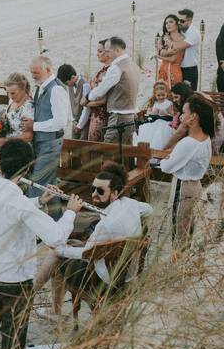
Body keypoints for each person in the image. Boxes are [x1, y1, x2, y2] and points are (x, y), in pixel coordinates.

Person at [0, 140, 74, 349]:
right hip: (14, 283)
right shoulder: (19, 203)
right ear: (29, 168)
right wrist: (71, 212)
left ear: (0, 163)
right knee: (12, 341)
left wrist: (39, 201)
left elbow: (8, 208)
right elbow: (56, 238)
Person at [34, 163, 153, 314]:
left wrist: (61, 251)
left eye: (101, 191)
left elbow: (87, 253)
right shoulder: (131, 203)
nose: (94, 194)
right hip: (127, 271)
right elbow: (149, 209)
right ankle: (38, 296)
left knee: (56, 254)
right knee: (69, 244)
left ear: (115, 193)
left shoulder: (106, 226)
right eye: (93, 189)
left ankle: (42, 301)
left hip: (104, 276)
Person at [159, 94, 213, 248]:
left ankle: (176, 268)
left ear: (193, 116)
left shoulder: (188, 143)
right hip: (196, 186)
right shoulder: (206, 138)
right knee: (189, 230)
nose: (181, 116)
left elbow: (165, 167)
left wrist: (168, 157)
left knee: (178, 233)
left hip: (182, 187)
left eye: (184, 112)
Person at [21, 56, 71, 200]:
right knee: (49, 185)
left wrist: (34, 125)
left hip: (50, 144)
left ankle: (33, 214)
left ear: (48, 70)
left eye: (36, 72)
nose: (32, 76)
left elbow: (60, 122)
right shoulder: (41, 87)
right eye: (31, 72)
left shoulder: (56, 89)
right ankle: (55, 218)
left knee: (36, 184)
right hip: (41, 143)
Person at [87, 37, 141, 145]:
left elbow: (101, 90)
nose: (107, 54)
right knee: (126, 153)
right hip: (131, 114)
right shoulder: (133, 65)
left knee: (108, 150)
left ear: (117, 50)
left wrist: (88, 96)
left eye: (108, 51)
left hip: (119, 116)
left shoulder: (116, 67)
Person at [0, 72, 33, 147]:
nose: (10, 96)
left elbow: (29, 136)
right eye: (7, 92)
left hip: (22, 149)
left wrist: (6, 141)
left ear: (23, 89)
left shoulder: (28, 107)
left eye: (13, 93)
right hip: (9, 147)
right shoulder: (12, 101)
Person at [134, 81, 176, 150]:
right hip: (154, 123)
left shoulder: (168, 103)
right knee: (148, 134)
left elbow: (172, 114)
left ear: (167, 94)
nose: (161, 97)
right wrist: (150, 112)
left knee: (160, 138)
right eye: (158, 95)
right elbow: (150, 112)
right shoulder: (155, 103)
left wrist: (166, 113)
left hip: (165, 124)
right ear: (155, 95)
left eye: (163, 95)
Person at [84, 40, 112, 141]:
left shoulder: (109, 72)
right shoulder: (102, 70)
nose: (97, 54)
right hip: (95, 114)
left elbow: (103, 99)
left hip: (101, 116)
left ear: (108, 53)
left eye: (100, 51)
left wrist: (85, 103)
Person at [57, 64, 90, 140]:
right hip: (75, 122)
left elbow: (87, 108)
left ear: (73, 77)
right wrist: (73, 120)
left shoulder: (85, 84)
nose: (67, 86)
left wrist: (80, 125)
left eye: (66, 83)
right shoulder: (70, 86)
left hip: (84, 123)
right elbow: (70, 104)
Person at [174, 9, 202, 89]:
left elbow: (180, 46)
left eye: (182, 21)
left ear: (189, 21)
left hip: (189, 69)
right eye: (177, 20)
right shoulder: (181, 30)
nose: (179, 23)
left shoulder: (194, 32)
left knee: (189, 95)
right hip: (178, 67)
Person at [156, 14, 184, 88]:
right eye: (166, 23)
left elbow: (172, 59)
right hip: (162, 69)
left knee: (172, 94)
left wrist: (158, 56)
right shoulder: (164, 37)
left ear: (177, 24)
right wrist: (167, 52)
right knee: (161, 94)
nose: (168, 25)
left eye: (171, 22)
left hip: (173, 70)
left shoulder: (181, 39)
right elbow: (159, 50)